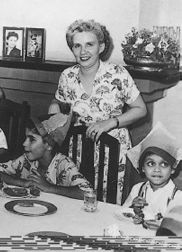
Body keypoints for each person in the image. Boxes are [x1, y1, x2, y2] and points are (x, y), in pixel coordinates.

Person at [48, 19, 147, 204]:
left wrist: (111, 122)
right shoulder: (67, 76)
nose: (83, 51)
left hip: (113, 150)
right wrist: (54, 106)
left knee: (108, 203)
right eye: (77, 45)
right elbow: (59, 100)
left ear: (101, 47)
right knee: (75, 201)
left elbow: (141, 109)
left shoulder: (118, 73)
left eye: (89, 45)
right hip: (77, 149)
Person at [0, 113, 92, 200]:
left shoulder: (63, 163)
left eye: (32, 139)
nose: (24, 143)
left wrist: (49, 188)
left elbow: (87, 192)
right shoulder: (26, 160)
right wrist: (23, 183)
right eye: (26, 138)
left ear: (49, 145)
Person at [123, 123, 182, 230]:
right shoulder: (138, 189)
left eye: (164, 164)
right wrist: (133, 208)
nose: (157, 169)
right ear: (142, 168)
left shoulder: (178, 197)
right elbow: (123, 214)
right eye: (151, 163)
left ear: (173, 169)